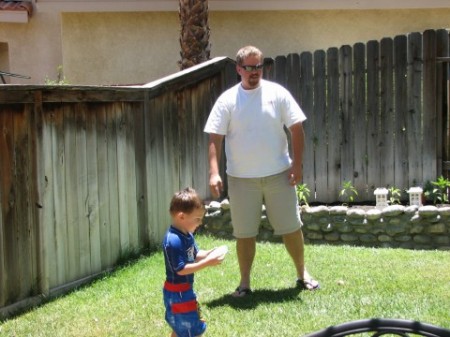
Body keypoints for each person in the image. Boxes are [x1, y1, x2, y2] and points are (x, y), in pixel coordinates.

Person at [203, 45, 319, 297]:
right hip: (241, 179)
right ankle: (245, 283)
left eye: (258, 66)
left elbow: (297, 130)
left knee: (291, 227)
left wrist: (297, 165)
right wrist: (214, 172)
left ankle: (302, 273)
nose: (254, 71)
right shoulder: (227, 100)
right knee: (244, 233)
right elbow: (215, 138)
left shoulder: (278, 94)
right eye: (249, 67)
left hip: (279, 175)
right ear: (238, 69)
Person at [162, 187, 226, 337]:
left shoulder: (187, 235)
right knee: (191, 330)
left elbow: (195, 255)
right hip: (177, 293)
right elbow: (181, 269)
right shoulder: (173, 241)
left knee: (181, 329)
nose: (200, 223)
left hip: (184, 290)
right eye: (197, 219)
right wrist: (208, 262)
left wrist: (210, 252)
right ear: (182, 217)